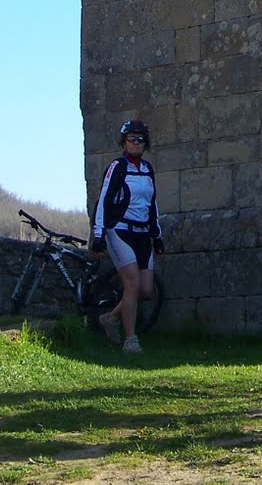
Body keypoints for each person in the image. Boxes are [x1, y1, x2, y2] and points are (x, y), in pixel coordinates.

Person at [91, 118, 163, 354]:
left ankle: (110, 318)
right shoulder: (118, 166)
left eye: (140, 139)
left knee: (145, 290)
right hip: (119, 230)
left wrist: (157, 236)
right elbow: (103, 200)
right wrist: (98, 235)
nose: (136, 143)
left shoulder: (147, 169)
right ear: (124, 142)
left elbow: (152, 205)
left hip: (143, 234)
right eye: (131, 139)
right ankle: (131, 340)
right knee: (131, 283)